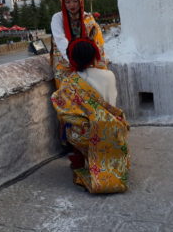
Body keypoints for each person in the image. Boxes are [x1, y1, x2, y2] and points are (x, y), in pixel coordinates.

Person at [50, 38, 129, 194]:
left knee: (71, 126)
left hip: (86, 135)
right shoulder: (109, 75)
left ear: (72, 58)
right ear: (95, 56)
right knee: (110, 122)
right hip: (113, 130)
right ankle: (113, 162)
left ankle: (79, 162)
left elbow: (64, 112)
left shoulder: (69, 82)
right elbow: (111, 105)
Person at [50, 0, 106, 88]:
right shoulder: (57, 18)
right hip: (66, 62)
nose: (71, 5)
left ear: (81, 1)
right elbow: (60, 41)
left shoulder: (88, 18)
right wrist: (74, 61)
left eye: (75, 1)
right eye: (67, 2)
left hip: (87, 62)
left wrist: (85, 63)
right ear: (63, 3)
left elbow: (96, 43)